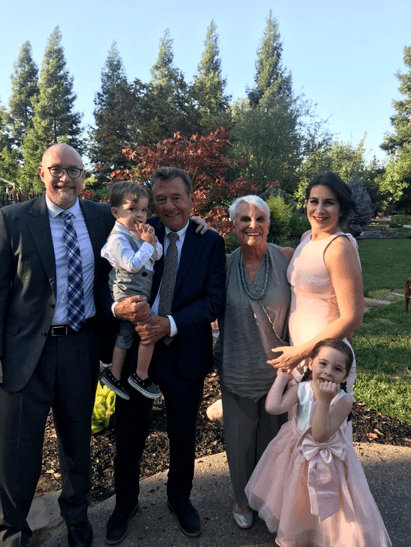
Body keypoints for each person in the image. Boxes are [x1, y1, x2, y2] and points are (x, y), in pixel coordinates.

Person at [0, 144, 116, 547]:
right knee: (17, 450)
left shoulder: (102, 218)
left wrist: (196, 224)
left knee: (76, 443)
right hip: (24, 354)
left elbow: (145, 221)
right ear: (41, 172)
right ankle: (13, 531)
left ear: (84, 175)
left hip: (79, 347)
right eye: (56, 169)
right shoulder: (12, 220)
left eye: (74, 170)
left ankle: (77, 519)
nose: (65, 177)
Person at [105, 167, 226, 544]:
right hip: (140, 350)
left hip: (184, 351)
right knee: (129, 433)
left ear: (192, 199)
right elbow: (111, 278)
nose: (169, 206)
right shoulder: (139, 230)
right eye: (161, 199)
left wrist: (169, 323)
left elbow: (213, 301)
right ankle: (125, 503)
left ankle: (179, 499)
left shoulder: (210, 242)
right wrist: (120, 310)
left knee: (183, 433)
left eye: (177, 197)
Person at [245, 339, 392, 547]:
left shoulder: (344, 401)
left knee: (331, 503)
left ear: (345, 375)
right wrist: (283, 377)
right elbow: (274, 407)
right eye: (323, 364)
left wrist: (323, 400)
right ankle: (300, 532)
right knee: (298, 497)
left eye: (337, 368)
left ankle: (328, 536)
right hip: (297, 453)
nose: (329, 372)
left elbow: (320, 435)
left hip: (328, 460)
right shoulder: (301, 389)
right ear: (311, 363)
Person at [215, 195, 293, 530]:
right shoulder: (224, 264)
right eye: (244, 219)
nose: (253, 225)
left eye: (260, 218)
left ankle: (269, 497)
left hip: (279, 369)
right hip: (237, 365)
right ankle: (242, 499)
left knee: (274, 440)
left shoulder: (286, 258)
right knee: (239, 440)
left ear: (269, 224)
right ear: (232, 225)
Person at [269, 172, 364, 393]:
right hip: (302, 352)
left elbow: (353, 317)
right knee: (299, 426)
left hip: (326, 360)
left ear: (341, 209)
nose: (319, 210)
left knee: (319, 426)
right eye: (314, 201)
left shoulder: (339, 247)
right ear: (306, 204)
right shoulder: (306, 238)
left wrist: (302, 352)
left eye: (329, 203)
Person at [101, 181, 163, 400]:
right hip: (127, 293)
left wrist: (152, 241)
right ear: (116, 212)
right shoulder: (117, 238)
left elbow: (156, 257)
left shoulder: (138, 234)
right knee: (150, 331)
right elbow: (132, 264)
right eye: (132, 209)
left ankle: (114, 374)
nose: (140, 215)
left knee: (126, 334)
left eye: (144, 210)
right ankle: (141, 374)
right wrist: (146, 244)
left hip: (138, 291)